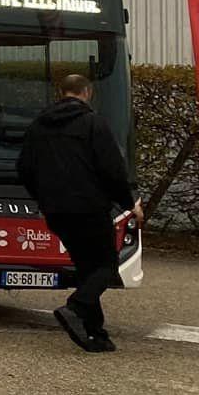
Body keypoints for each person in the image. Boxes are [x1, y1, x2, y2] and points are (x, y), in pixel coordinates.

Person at [17, 74, 138, 353]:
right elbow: (112, 169)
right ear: (88, 92)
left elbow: (24, 167)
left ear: (61, 92)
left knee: (87, 267)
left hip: (56, 210)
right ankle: (76, 307)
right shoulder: (93, 123)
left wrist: (43, 198)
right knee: (106, 266)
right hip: (89, 207)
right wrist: (129, 203)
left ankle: (94, 332)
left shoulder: (38, 126)